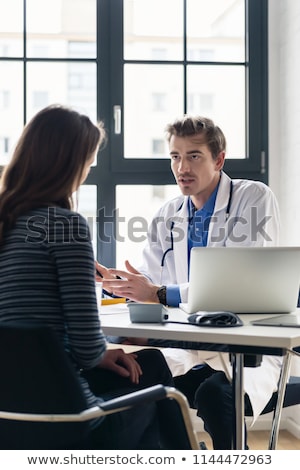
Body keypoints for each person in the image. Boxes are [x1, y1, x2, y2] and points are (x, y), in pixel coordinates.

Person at [0, 104, 193, 450]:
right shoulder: (65, 226)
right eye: (88, 163)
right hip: (69, 418)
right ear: (69, 165)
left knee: (148, 363)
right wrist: (99, 353)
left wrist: (99, 355)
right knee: (156, 384)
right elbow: (87, 346)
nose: (88, 172)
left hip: (10, 416)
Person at [96, 115, 282, 449]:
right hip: (185, 347)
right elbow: (148, 280)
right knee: (135, 377)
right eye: (175, 156)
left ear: (219, 159)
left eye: (194, 156)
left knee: (214, 396)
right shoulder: (168, 213)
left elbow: (242, 285)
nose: (183, 167)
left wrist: (159, 293)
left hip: (243, 348)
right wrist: (117, 284)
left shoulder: (253, 198)